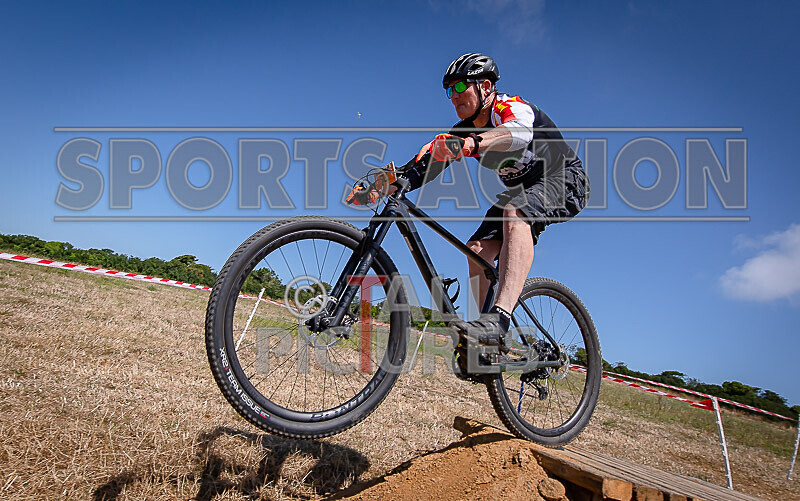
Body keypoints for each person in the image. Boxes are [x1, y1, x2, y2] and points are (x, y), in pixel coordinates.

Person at [350, 53, 588, 355]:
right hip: (523, 192)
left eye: (461, 85)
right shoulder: (462, 131)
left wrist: (472, 144)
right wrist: (383, 185)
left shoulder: (509, 107)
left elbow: (519, 132)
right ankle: (486, 340)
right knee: (476, 250)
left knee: (516, 211)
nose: (454, 95)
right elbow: (423, 168)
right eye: (449, 89)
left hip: (565, 179)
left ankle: (499, 320)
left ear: (485, 86)